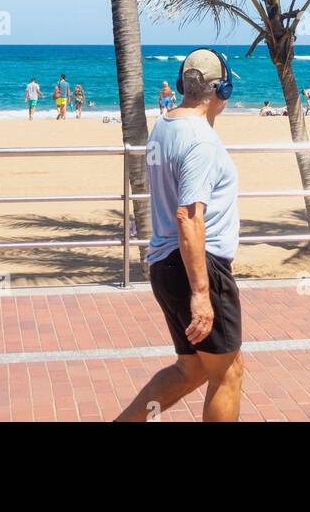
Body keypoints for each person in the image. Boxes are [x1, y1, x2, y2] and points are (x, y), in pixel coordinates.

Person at [116, 48, 242, 423]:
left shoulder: (164, 125)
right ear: (222, 90)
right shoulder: (200, 140)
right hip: (197, 268)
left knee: (192, 368)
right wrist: (202, 293)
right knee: (227, 373)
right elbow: (188, 216)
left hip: (164, 265)